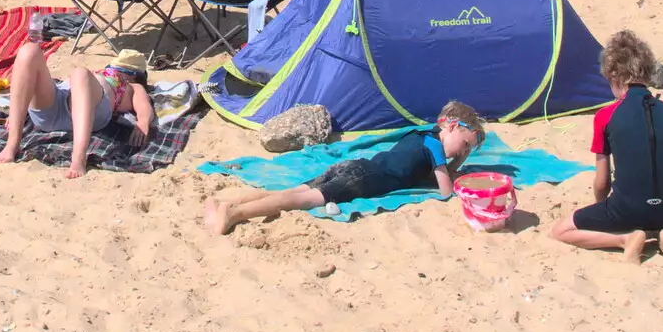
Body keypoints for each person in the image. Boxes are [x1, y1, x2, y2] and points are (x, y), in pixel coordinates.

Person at [203, 101, 486, 235]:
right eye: (463, 145)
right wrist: (457, 164)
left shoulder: (420, 137)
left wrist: (457, 157)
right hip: (362, 179)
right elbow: (446, 190)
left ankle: (227, 202)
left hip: (354, 165)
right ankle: (234, 214)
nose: (460, 153)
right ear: (450, 126)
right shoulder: (436, 148)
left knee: (294, 190)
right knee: (297, 200)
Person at [548, 29, 663, 263]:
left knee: (560, 231)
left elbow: (602, 181)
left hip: (626, 210)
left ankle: (624, 240)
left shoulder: (606, 115)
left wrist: (601, 208)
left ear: (614, 76)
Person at [0, 47, 154, 178]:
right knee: (29, 51)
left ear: (135, 77)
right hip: (55, 107)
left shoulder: (132, 86)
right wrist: (16, 113)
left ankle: (78, 158)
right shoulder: (98, 75)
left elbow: (144, 104)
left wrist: (143, 121)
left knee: (80, 73)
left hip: (91, 112)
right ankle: (12, 144)